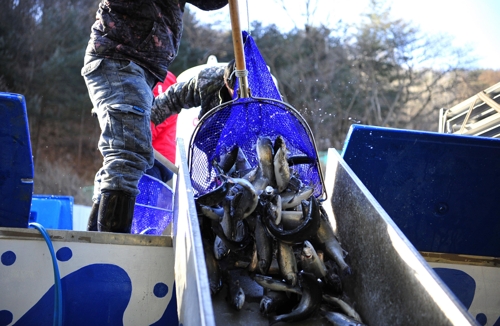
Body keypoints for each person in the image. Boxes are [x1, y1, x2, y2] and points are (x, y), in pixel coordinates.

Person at [82, 0, 228, 233]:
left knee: (127, 155)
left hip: (143, 69)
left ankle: (98, 242)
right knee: (128, 152)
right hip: (119, 56)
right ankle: (108, 248)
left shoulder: (164, 82)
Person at [150, 59, 236, 126]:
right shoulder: (208, 80)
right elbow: (173, 97)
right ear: (226, 83)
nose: (237, 96)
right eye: (235, 92)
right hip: (211, 136)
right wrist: (149, 119)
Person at [145, 72, 178, 184]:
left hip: (155, 158)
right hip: (151, 155)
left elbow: (157, 119)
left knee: (143, 200)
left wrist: (139, 141)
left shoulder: (160, 77)